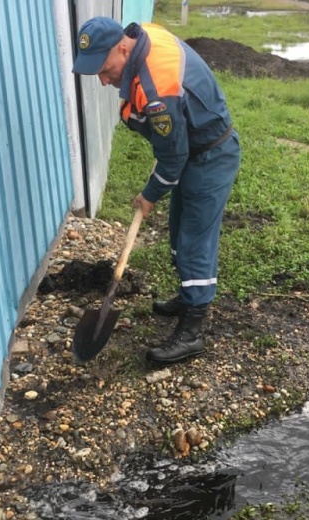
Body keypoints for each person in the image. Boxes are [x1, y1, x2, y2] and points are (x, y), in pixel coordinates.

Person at [72, 16, 241, 364]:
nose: (104, 81)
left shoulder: (157, 91)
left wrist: (149, 195)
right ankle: (186, 296)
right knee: (179, 230)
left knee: (195, 240)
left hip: (210, 155)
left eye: (104, 69)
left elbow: (172, 159)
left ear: (122, 47)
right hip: (193, 148)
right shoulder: (141, 35)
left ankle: (191, 332)